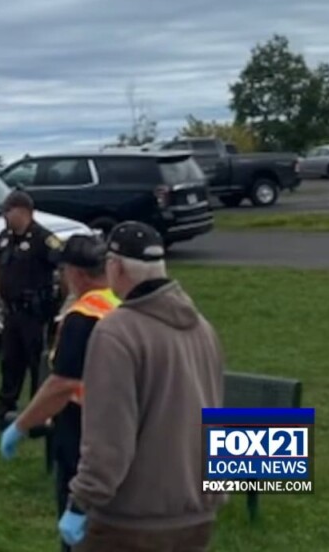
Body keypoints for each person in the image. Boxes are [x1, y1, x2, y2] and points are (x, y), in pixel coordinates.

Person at [60, 221, 227, 551]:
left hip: (131, 522)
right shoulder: (203, 329)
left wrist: (80, 502)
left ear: (116, 267)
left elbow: (109, 439)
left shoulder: (116, 334)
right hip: (196, 515)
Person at [0, 234, 119, 552]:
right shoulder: (122, 304)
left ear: (76, 273)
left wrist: (20, 425)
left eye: (63, 270)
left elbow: (62, 384)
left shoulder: (83, 317)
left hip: (82, 431)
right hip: (119, 430)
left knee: (80, 531)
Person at [0, 190, 64, 434]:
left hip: (35, 313)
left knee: (37, 364)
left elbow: (64, 266)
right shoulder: (5, 237)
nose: (4, 216)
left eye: (8, 211)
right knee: (10, 363)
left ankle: (38, 418)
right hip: (12, 312)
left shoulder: (44, 239)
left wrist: (61, 303)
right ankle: (2, 412)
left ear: (23, 211)